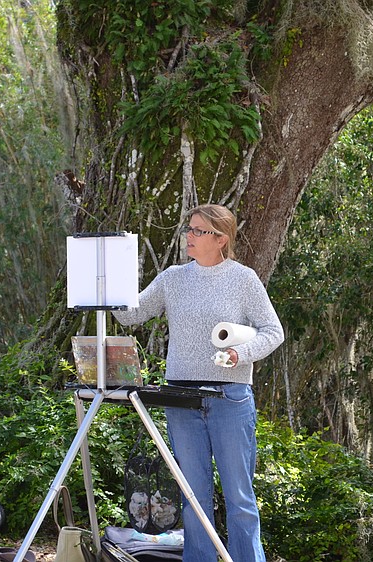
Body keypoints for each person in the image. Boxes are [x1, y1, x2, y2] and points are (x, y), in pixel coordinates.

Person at [113, 204, 284, 562]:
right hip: (180, 399)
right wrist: (107, 279)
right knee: (192, 497)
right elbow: (132, 315)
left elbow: (273, 332)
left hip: (229, 398)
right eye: (188, 229)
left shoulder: (243, 279)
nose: (188, 236)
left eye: (197, 231)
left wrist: (242, 353)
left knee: (239, 498)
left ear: (221, 238)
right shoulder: (172, 278)